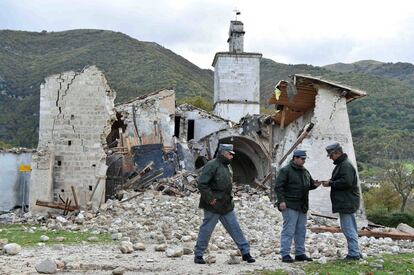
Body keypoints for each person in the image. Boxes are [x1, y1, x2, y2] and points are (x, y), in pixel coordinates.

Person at [194, 144, 255, 264]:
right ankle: (198, 255)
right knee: (206, 230)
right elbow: (202, 184)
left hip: (226, 204)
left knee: (235, 228)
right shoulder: (211, 165)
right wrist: (210, 198)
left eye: (232, 154)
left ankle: (246, 253)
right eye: (230, 154)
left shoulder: (227, 166)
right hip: (213, 205)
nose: (232, 156)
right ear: (223, 153)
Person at [274, 149, 321, 263]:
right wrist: (281, 201)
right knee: (288, 230)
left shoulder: (305, 171)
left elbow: (309, 185)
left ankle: (300, 253)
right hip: (290, 205)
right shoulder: (285, 170)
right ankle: (285, 254)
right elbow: (279, 187)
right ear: (295, 158)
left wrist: (315, 184)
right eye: (302, 158)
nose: (304, 161)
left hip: (302, 205)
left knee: (301, 230)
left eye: (305, 159)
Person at [323, 142, 361, 260]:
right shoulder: (343, 164)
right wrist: (331, 181)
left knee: (348, 228)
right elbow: (343, 179)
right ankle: (356, 251)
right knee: (351, 227)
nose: (330, 158)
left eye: (331, 155)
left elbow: (346, 182)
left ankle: (353, 254)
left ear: (337, 153)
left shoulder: (345, 165)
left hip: (346, 201)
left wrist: (331, 183)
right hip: (347, 201)